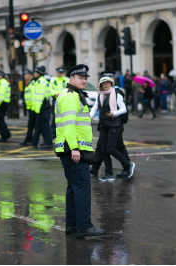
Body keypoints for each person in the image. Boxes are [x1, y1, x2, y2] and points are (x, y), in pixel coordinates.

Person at [54, 64, 105, 238]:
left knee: (73, 188)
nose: (83, 80)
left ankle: (73, 226)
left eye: (85, 78)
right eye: (80, 78)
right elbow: (69, 125)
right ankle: (84, 226)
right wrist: (75, 148)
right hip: (74, 149)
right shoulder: (70, 97)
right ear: (71, 79)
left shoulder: (72, 95)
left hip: (70, 149)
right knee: (82, 187)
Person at [90, 76, 135, 181]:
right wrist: (86, 119)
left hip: (115, 125)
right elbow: (93, 110)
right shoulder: (100, 96)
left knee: (111, 149)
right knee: (104, 150)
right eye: (104, 83)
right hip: (104, 125)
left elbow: (124, 109)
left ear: (111, 84)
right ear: (101, 85)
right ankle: (109, 174)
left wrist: (114, 113)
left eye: (108, 83)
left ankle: (128, 165)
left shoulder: (116, 94)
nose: (106, 84)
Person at [31, 66, 53, 149]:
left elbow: (40, 97)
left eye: (35, 73)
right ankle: (34, 142)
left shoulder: (41, 82)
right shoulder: (41, 81)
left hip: (42, 106)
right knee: (38, 125)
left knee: (45, 125)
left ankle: (48, 143)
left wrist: (36, 109)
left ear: (38, 73)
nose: (34, 74)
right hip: (43, 106)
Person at [50, 67, 69, 138]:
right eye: (59, 72)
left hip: (64, 101)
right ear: (57, 73)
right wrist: (54, 94)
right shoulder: (53, 80)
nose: (60, 74)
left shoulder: (67, 80)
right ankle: (54, 132)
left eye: (62, 73)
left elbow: (69, 89)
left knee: (64, 117)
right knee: (55, 117)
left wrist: (62, 94)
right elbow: (50, 89)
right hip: (55, 100)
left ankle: (63, 132)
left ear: (64, 73)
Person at [0, 70, 11, 143]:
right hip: (3, 103)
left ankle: (4, 136)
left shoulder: (1, 83)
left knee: (0, 121)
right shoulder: (3, 83)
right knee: (1, 120)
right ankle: (7, 134)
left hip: (1, 104)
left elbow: (0, 96)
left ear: (1, 76)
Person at [20, 69, 36, 146]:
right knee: (31, 125)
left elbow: (33, 96)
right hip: (30, 108)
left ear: (30, 75)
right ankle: (30, 140)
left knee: (33, 125)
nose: (24, 76)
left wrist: (32, 107)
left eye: (25, 74)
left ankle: (30, 140)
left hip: (33, 108)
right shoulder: (29, 83)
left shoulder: (33, 84)